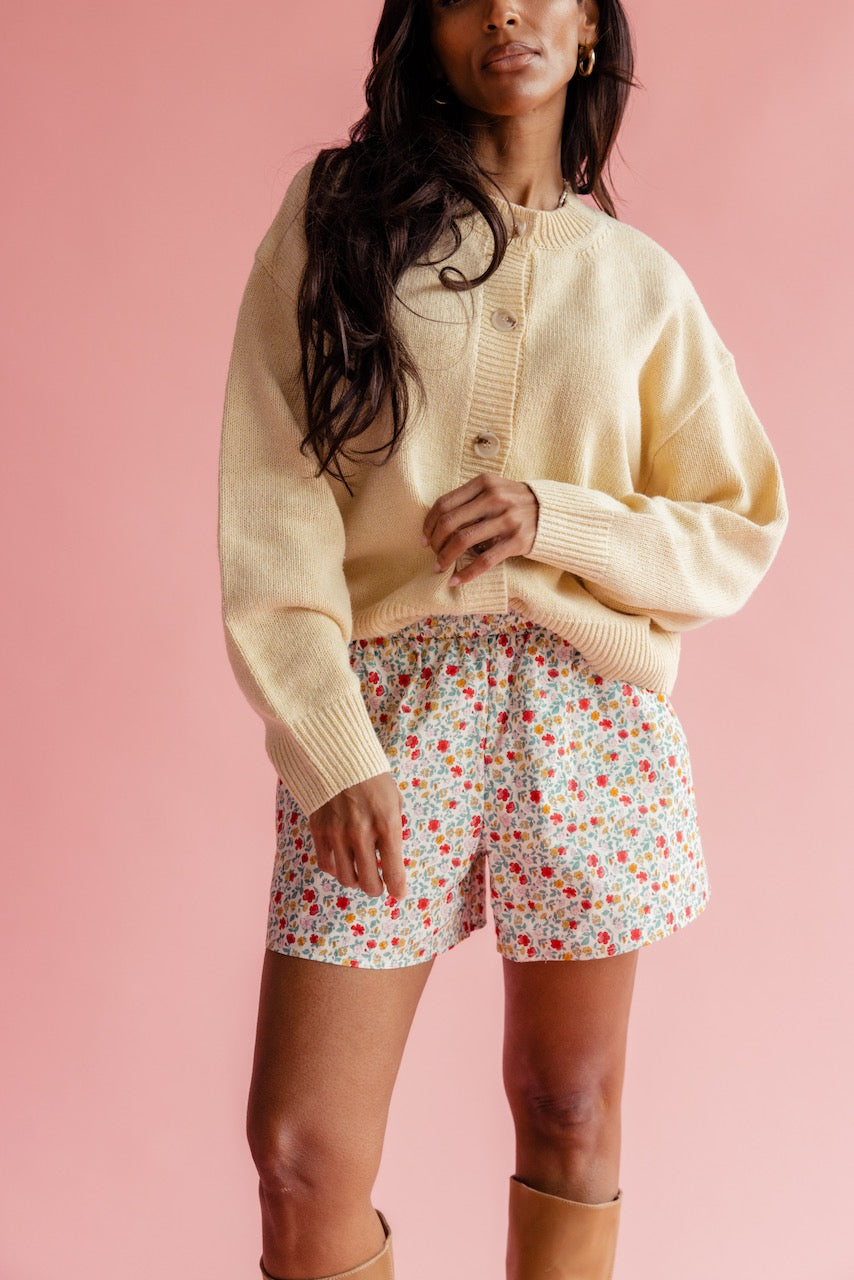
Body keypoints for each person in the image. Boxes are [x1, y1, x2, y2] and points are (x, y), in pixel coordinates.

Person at [217, 1, 789, 1276]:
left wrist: (557, 517)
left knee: (567, 1104)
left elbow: (737, 524)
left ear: (587, 29)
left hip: (582, 713)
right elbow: (273, 494)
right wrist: (325, 735)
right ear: (426, 31)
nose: (507, 10)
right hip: (384, 711)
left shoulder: (639, 283)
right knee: (302, 1152)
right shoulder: (336, 221)